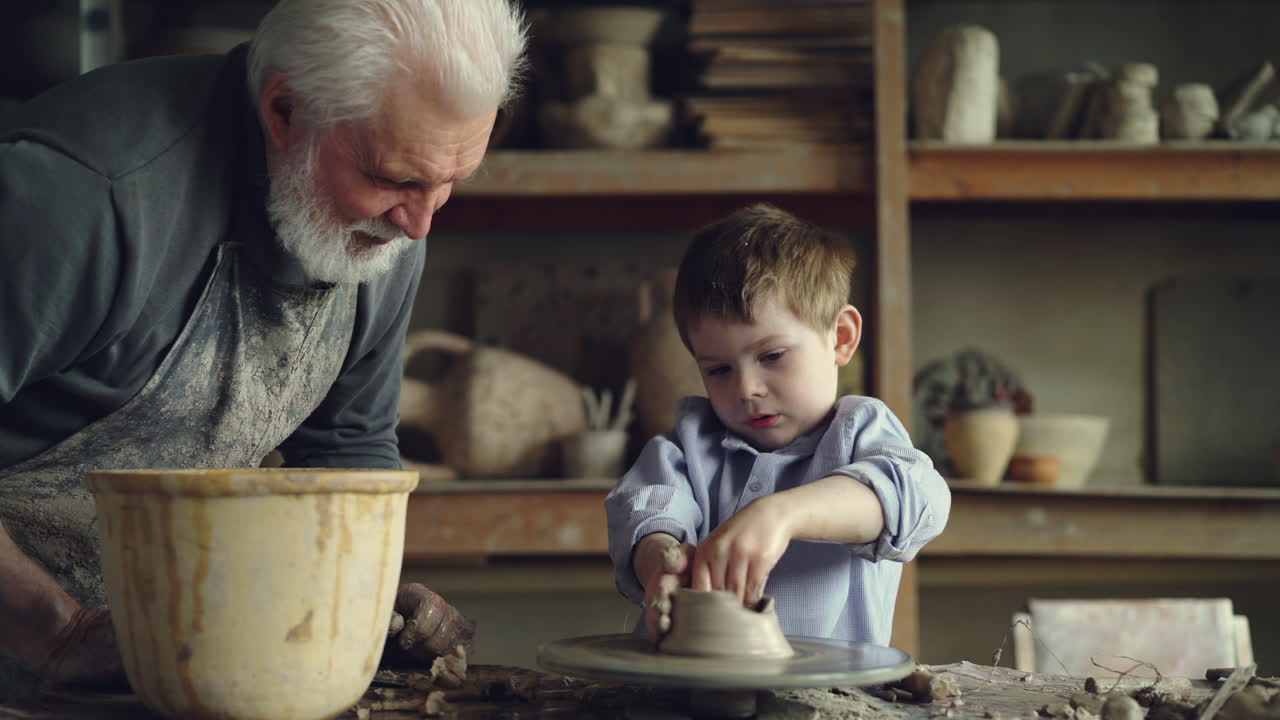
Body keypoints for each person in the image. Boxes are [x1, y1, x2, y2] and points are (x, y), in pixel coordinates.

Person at [0, 0, 526, 700]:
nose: (422, 223)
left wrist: (361, 601)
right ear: (284, 111)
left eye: (451, 179)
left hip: (160, 663)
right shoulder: (83, 197)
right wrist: (53, 630)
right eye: (396, 178)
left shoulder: (392, 227)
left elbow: (342, 453)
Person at [605, 204, 952, 647]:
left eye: (772, 357)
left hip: (834, 702)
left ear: (841, 337)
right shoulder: (689, 445)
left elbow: (920, 497)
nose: (747, 388)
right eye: (718, 370)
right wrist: (660, 560)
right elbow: (646, 507)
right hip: (692, 690)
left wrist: (781, 514)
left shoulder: (860, 431)